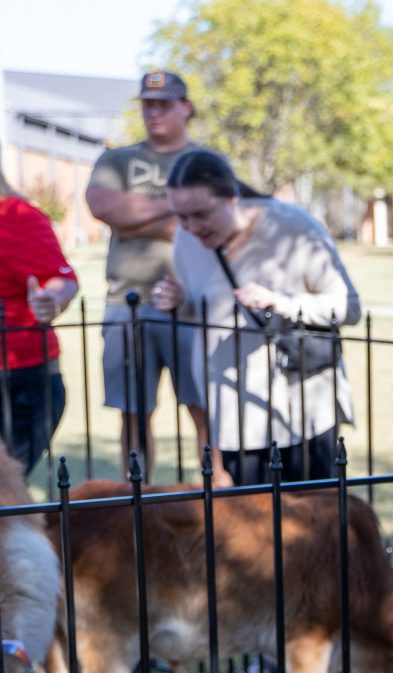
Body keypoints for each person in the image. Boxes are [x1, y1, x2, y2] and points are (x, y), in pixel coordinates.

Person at [153, 149, 361, 485]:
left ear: (233, 197)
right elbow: (208, 306)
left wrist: (281, 303)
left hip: (302, 412)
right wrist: (181, 302)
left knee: (314, 528)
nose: (191, 227)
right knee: (255, 533)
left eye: (201, 214)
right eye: (181, 217)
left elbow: (348, 307)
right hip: (237, 418)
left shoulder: (294, 227)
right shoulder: (185, 241)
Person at [86, 70, 219, 481]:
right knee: (133, 415)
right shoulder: (117, 159)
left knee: (206, 411)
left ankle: (217, 495)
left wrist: (133, 217)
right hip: (127, 305)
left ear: (186, 107)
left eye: (164, 103)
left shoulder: (205, 161)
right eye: (148, 104)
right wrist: (179, 209)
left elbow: (219, 221)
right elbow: (105, 207)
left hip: (192, 305)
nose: (154, 112)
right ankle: (136, 500)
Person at [0, 168, 79, 476]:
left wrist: (52, 299)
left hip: (18, 381)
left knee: (6, 490)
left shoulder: (16, 216)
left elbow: (60, 280)